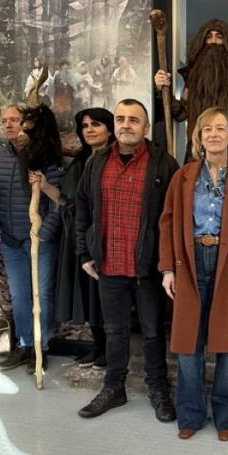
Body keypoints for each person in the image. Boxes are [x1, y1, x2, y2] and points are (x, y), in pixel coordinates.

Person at [75, 99, 178, 423]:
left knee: (152, 332)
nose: (126, 125)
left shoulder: (163, 164)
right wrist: (84, 252)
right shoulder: (97, 163)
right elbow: (82, 210)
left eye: (134, 120)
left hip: (147, 266)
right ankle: (113, 388)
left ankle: (158, 390)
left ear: (146, 127)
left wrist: (167, 264)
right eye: (120, 118)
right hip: (109, 263)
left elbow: (173, 218)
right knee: (115, 331)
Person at [160, 108, 228, 440]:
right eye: (206, 130)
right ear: (198, 138)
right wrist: (166, 269)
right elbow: (167, 222)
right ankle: (190, 413)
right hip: (189, 261)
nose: (214, 134)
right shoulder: (183, 177)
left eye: (220, 128)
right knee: (189, 343)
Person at [0, 104, 63, 375]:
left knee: (41, 294)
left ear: (28, 125)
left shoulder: (45, 159)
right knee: (19, 296)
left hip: (38, 241)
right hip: (11, 240)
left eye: (15, 120)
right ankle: (25, 344)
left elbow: (58, 202)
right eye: (4, 120)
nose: (8, 125)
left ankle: (43, 346)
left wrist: (44, 234)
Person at [55, 107, 115, 367]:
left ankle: (110, 350)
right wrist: (44, 186)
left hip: (105, 238)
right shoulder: (81, 161)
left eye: (96, 125)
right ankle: (98, 345)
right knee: (89, 295)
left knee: (105, 297)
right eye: (85, 126)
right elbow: (67, 199)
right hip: (80, 236)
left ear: (109, 129)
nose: (89, 130)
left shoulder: (114, 160)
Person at [154, 19, 228, 158]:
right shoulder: (194, 79)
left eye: (219, 37)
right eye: (209, 37)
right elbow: (181, 112)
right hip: (198, 158)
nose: (213, 41)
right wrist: (162, 89)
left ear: (227, 43)